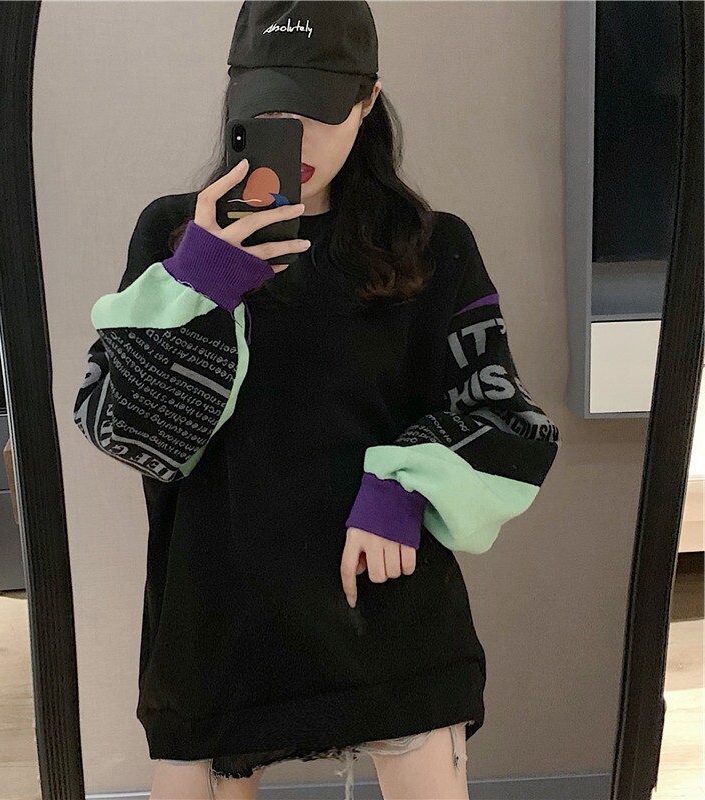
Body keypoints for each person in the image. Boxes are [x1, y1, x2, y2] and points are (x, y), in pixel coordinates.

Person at [72, 2, 562, 799]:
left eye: (317, 109)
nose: (292, 136)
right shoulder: (174, 236)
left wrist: (405, 484)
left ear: (368, 101)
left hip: (386, 612)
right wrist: (201, 284)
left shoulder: (433, 246)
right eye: (268, 110)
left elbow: (508, 418)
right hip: (216, 617)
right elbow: (131, 433)